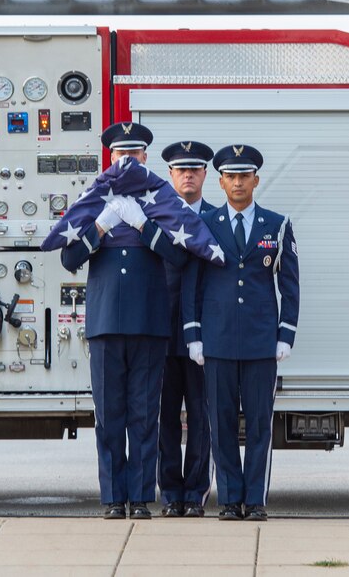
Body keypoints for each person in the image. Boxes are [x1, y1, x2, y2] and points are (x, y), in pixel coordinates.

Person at [58, 122, 189, 520]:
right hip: (106, 326)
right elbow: (68, 258)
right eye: (121, 156)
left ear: (145, 159)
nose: (128, 161)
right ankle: (115, 497)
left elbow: (180, 256)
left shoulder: (161, 204)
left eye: (134, 155)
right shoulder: (95, 203)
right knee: (110, 416)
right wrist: (101, 225)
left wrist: (143, 225)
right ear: (110, 160)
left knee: (144, 417)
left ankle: (140, 498)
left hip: (149, 325)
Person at [181, 144, 300, 522]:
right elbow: (192, 285)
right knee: (222, 424)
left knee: (261, 426)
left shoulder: (277, 225)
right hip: (216, 342)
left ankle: (256, 500)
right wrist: (193, 336)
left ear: (255, 180)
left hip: (261, 342)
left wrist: (286, 335)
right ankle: (230, 500)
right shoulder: (206, 226)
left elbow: (291, 285)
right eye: (231, 176)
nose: (237, 182)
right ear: (220, 182)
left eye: (244, 176)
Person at [157, 141, 216, 518]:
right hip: (160, 334)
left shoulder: (217, 218)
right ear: (170, 175)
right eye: (181, 170)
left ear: (206, 175)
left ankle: (195, 493)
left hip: (205, 336)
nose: (188, 175)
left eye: (195, 169)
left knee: (200, 416)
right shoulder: (155, 217)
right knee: (163, 417)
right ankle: (170, 493)